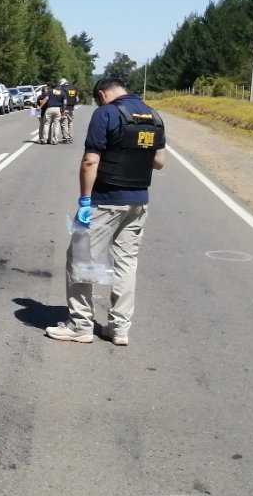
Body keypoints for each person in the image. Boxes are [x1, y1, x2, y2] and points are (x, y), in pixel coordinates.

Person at [46, 77, 166, 346]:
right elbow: (159, 161)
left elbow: (90, 161)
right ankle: (119, 328)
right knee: (126, 262)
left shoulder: (106, 114)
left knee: (80, 258)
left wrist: (85, 200)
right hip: (138, 202)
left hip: (106, 200)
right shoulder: (153, 115)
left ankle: (80, 325)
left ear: (102, 94)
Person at [58, 78, 78, 144]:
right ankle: (70, 137)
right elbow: (77, 99)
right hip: (72, 108)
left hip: (65, 107)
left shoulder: (62, 89)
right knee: (70, 123)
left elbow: (61, 99)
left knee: (64, 123)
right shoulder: (74, 88)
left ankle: (66, 138)